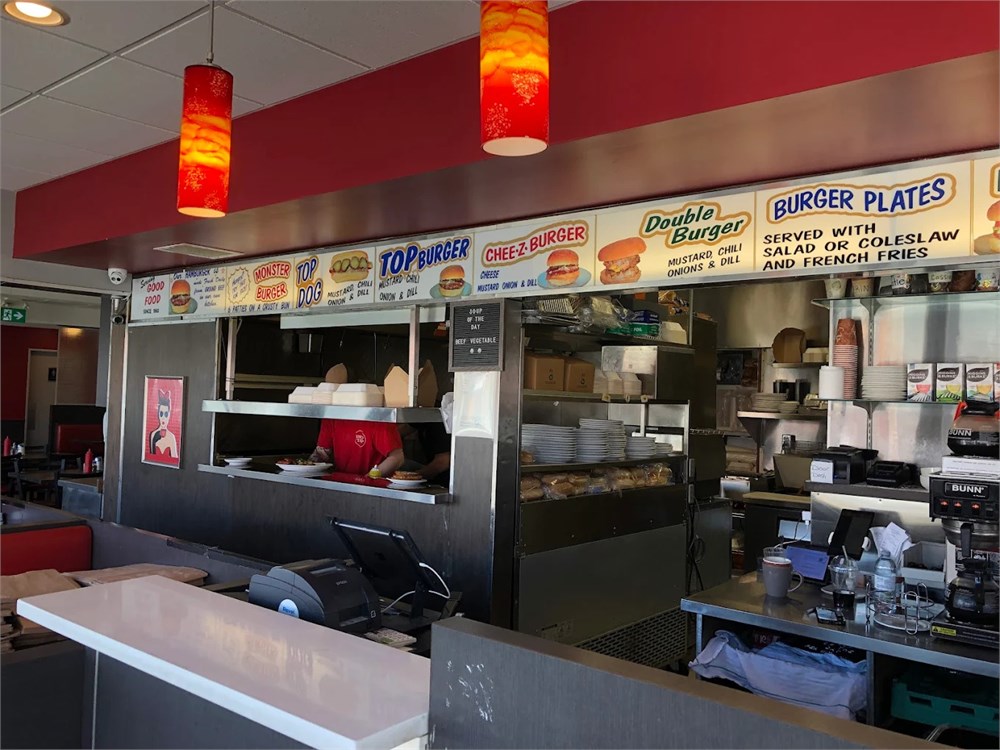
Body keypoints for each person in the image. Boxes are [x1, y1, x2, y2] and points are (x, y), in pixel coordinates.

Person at [309, 419, 404, 477]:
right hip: (339, 484)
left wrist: (370, 477)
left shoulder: (378, 418)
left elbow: (397, 457)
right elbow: (322, 452)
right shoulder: (331, 414)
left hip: (374, 488)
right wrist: (307, 466)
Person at [148, 389, 178, 457]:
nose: (163, 418)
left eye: (166, 414)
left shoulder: (171, 437)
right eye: (161, 414)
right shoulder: (153, 434)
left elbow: (175, 458)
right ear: (158, 414)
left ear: (169, 415)